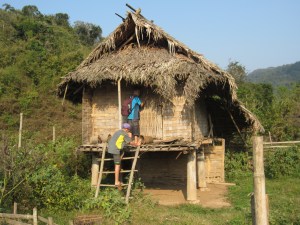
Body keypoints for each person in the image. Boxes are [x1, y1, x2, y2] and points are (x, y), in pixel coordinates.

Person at [108, 123, 140, 187]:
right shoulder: (124, 133)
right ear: (126, 129)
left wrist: (129, 137)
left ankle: (120, 180)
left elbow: (121, 141)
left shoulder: (118, 132)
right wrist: (137, 144)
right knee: (117, 165)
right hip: (115, 149)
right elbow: (130, 143)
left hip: (110, 148)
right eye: (128, 130)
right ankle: (116, 181)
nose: (128, 131)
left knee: (119, 160)